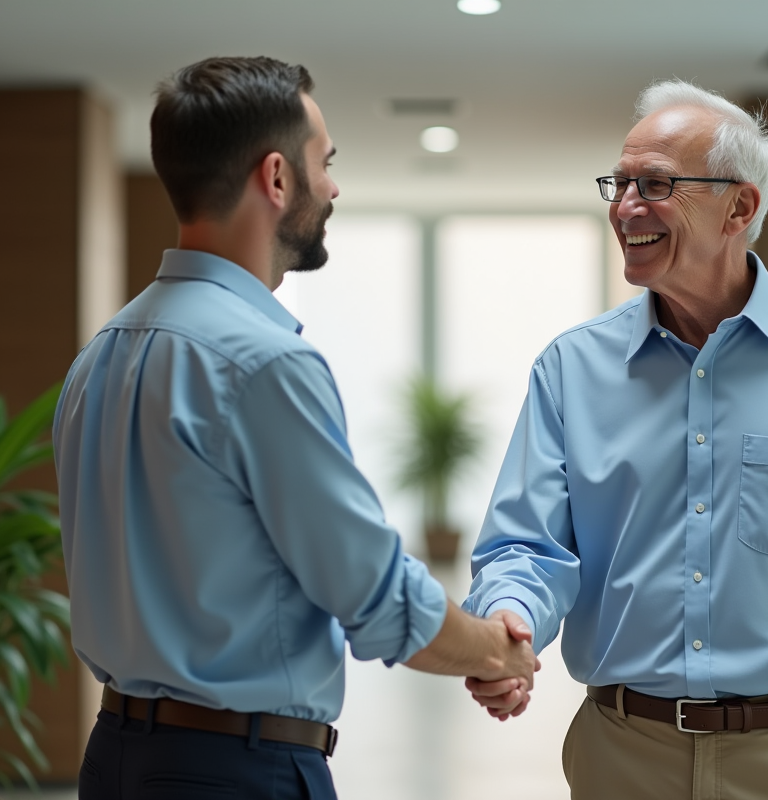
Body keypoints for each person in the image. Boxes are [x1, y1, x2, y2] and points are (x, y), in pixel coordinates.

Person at [53, 56, 536, 800]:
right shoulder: (263, 364)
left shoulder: (102, 353)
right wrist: (497, 651)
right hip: (233, 771)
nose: (335, 186)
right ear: (277, 178)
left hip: (116, 759)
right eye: (326, 162)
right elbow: (372, 591)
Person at [462, 80, 768, 799]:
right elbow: (524, 548)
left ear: (740, 207)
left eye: (656, 184)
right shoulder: (572, 368)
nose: (625, 206)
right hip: (621, 757)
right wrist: (508, 624)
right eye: (620, 183)